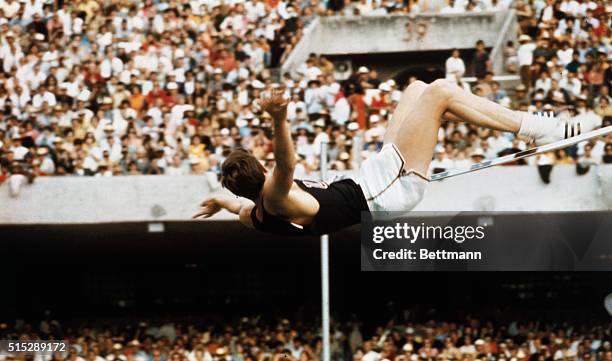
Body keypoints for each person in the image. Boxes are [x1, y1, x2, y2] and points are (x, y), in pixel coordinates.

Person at [194, 81, 588, 235]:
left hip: (374, 177)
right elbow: (288, 162)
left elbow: (235, 206)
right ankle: (537, 127)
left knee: (417, 90)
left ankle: (522, 125)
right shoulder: (275, 197)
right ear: (262, 171)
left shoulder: (254, 213)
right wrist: (279, 118)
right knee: (439, 95)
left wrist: (219, 200)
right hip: (385, 191)